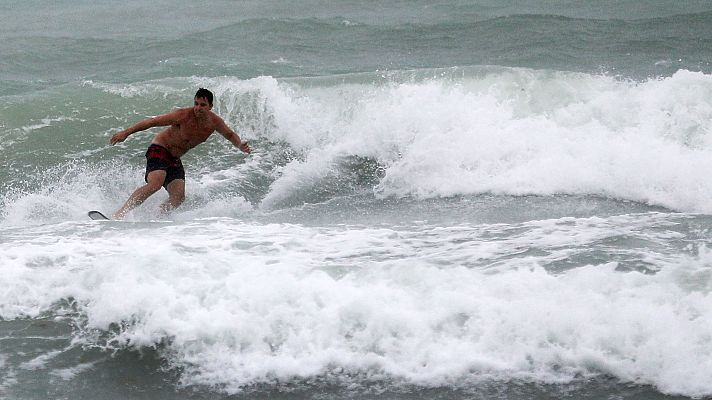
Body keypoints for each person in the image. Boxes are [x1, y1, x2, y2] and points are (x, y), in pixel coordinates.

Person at [109, 88, 251, 219]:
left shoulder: (214, 122)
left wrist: (239, 145)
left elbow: (230, 134)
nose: (198, 108)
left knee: (178, 197)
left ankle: (156, 217)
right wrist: (126, 133)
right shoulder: (183, 115)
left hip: (174, 158)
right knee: (155, 184)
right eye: (196, 103)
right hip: (160, 148)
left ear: (210, 107)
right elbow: (152, 122)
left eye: (202, 105)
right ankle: (119, 214)